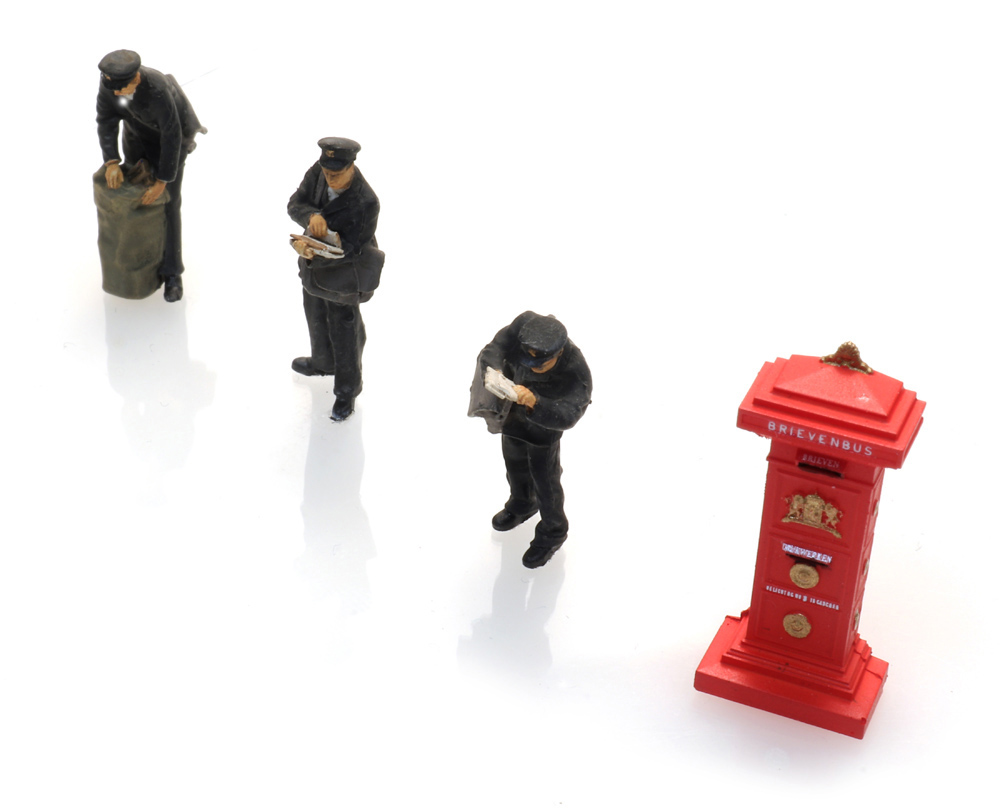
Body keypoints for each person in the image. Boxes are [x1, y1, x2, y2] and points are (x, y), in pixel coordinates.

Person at [470, 312, 593, 568]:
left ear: (558, 353)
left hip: (543, 431)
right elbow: (493, 350)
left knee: (546, 482)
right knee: (514, 467)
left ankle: (553, 531)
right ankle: (523, 503)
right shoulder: (521, 328)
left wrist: (536, 402)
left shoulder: (576, 370)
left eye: (540, 363)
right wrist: (495, 373)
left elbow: (569, 415)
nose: (533, 367)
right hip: (512, 418)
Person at [96, 49, 206, 302]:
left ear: (136, 79)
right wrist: (111, 161)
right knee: (137, 199)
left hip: (171, 144)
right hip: (136, 138)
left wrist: (162, 180)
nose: (116, 95)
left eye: (121, 90)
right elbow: (106, 120)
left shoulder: (157, 88)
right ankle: (141, 267)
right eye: (113, 90)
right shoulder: (110, 84)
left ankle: (172, 273)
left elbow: (172, 135)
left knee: (168, 204)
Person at [288, 137, 384, 422]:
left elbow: (352, 249)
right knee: (315, 313)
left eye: (337, 174)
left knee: (344, 327)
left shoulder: (366, 202)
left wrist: (312, 250)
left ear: (351, 167)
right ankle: (322, 362)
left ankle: (347, 390)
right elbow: (295, 203)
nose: (330, 178)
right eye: (327, 171)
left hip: (345, 274)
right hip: (314, 269)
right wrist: (312, 216)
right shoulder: (318, 172)